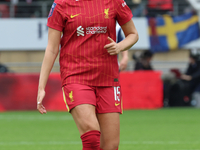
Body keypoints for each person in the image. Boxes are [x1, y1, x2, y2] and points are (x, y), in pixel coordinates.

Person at [37, 0, 139, 150]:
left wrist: (119, 46)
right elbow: (52, 49)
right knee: (91, 135)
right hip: (75, 76)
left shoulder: (114, 2)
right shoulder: (61, 4)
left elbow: (133, 34)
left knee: (111, 145)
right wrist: (41, 87)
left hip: (108, 78)